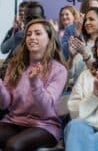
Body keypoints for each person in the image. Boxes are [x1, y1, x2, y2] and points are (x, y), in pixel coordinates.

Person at [0, 19, 67, 150]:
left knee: (14, 145)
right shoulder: (15, 65)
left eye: (37, 33)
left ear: (49, 39)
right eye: (29, 34)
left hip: (44, 125)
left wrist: (35, 83)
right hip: (14, 121)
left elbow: (46, 109)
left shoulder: (59, 70)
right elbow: (5, 104)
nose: (32, 37)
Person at [68, 7, 98, 87]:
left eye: (91, 19)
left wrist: (85, 53)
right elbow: (69, 76)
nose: (86, 23)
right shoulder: (81, 43)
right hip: (77, 93)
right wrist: (71, 58)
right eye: (86, 20)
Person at [0, 1, 45, 79]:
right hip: (11, 77)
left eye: (35, 18)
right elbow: (3, 49)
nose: (32, 21)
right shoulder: (17, 33)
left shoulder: (49, 35)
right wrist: (15, 32)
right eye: (28, 18)